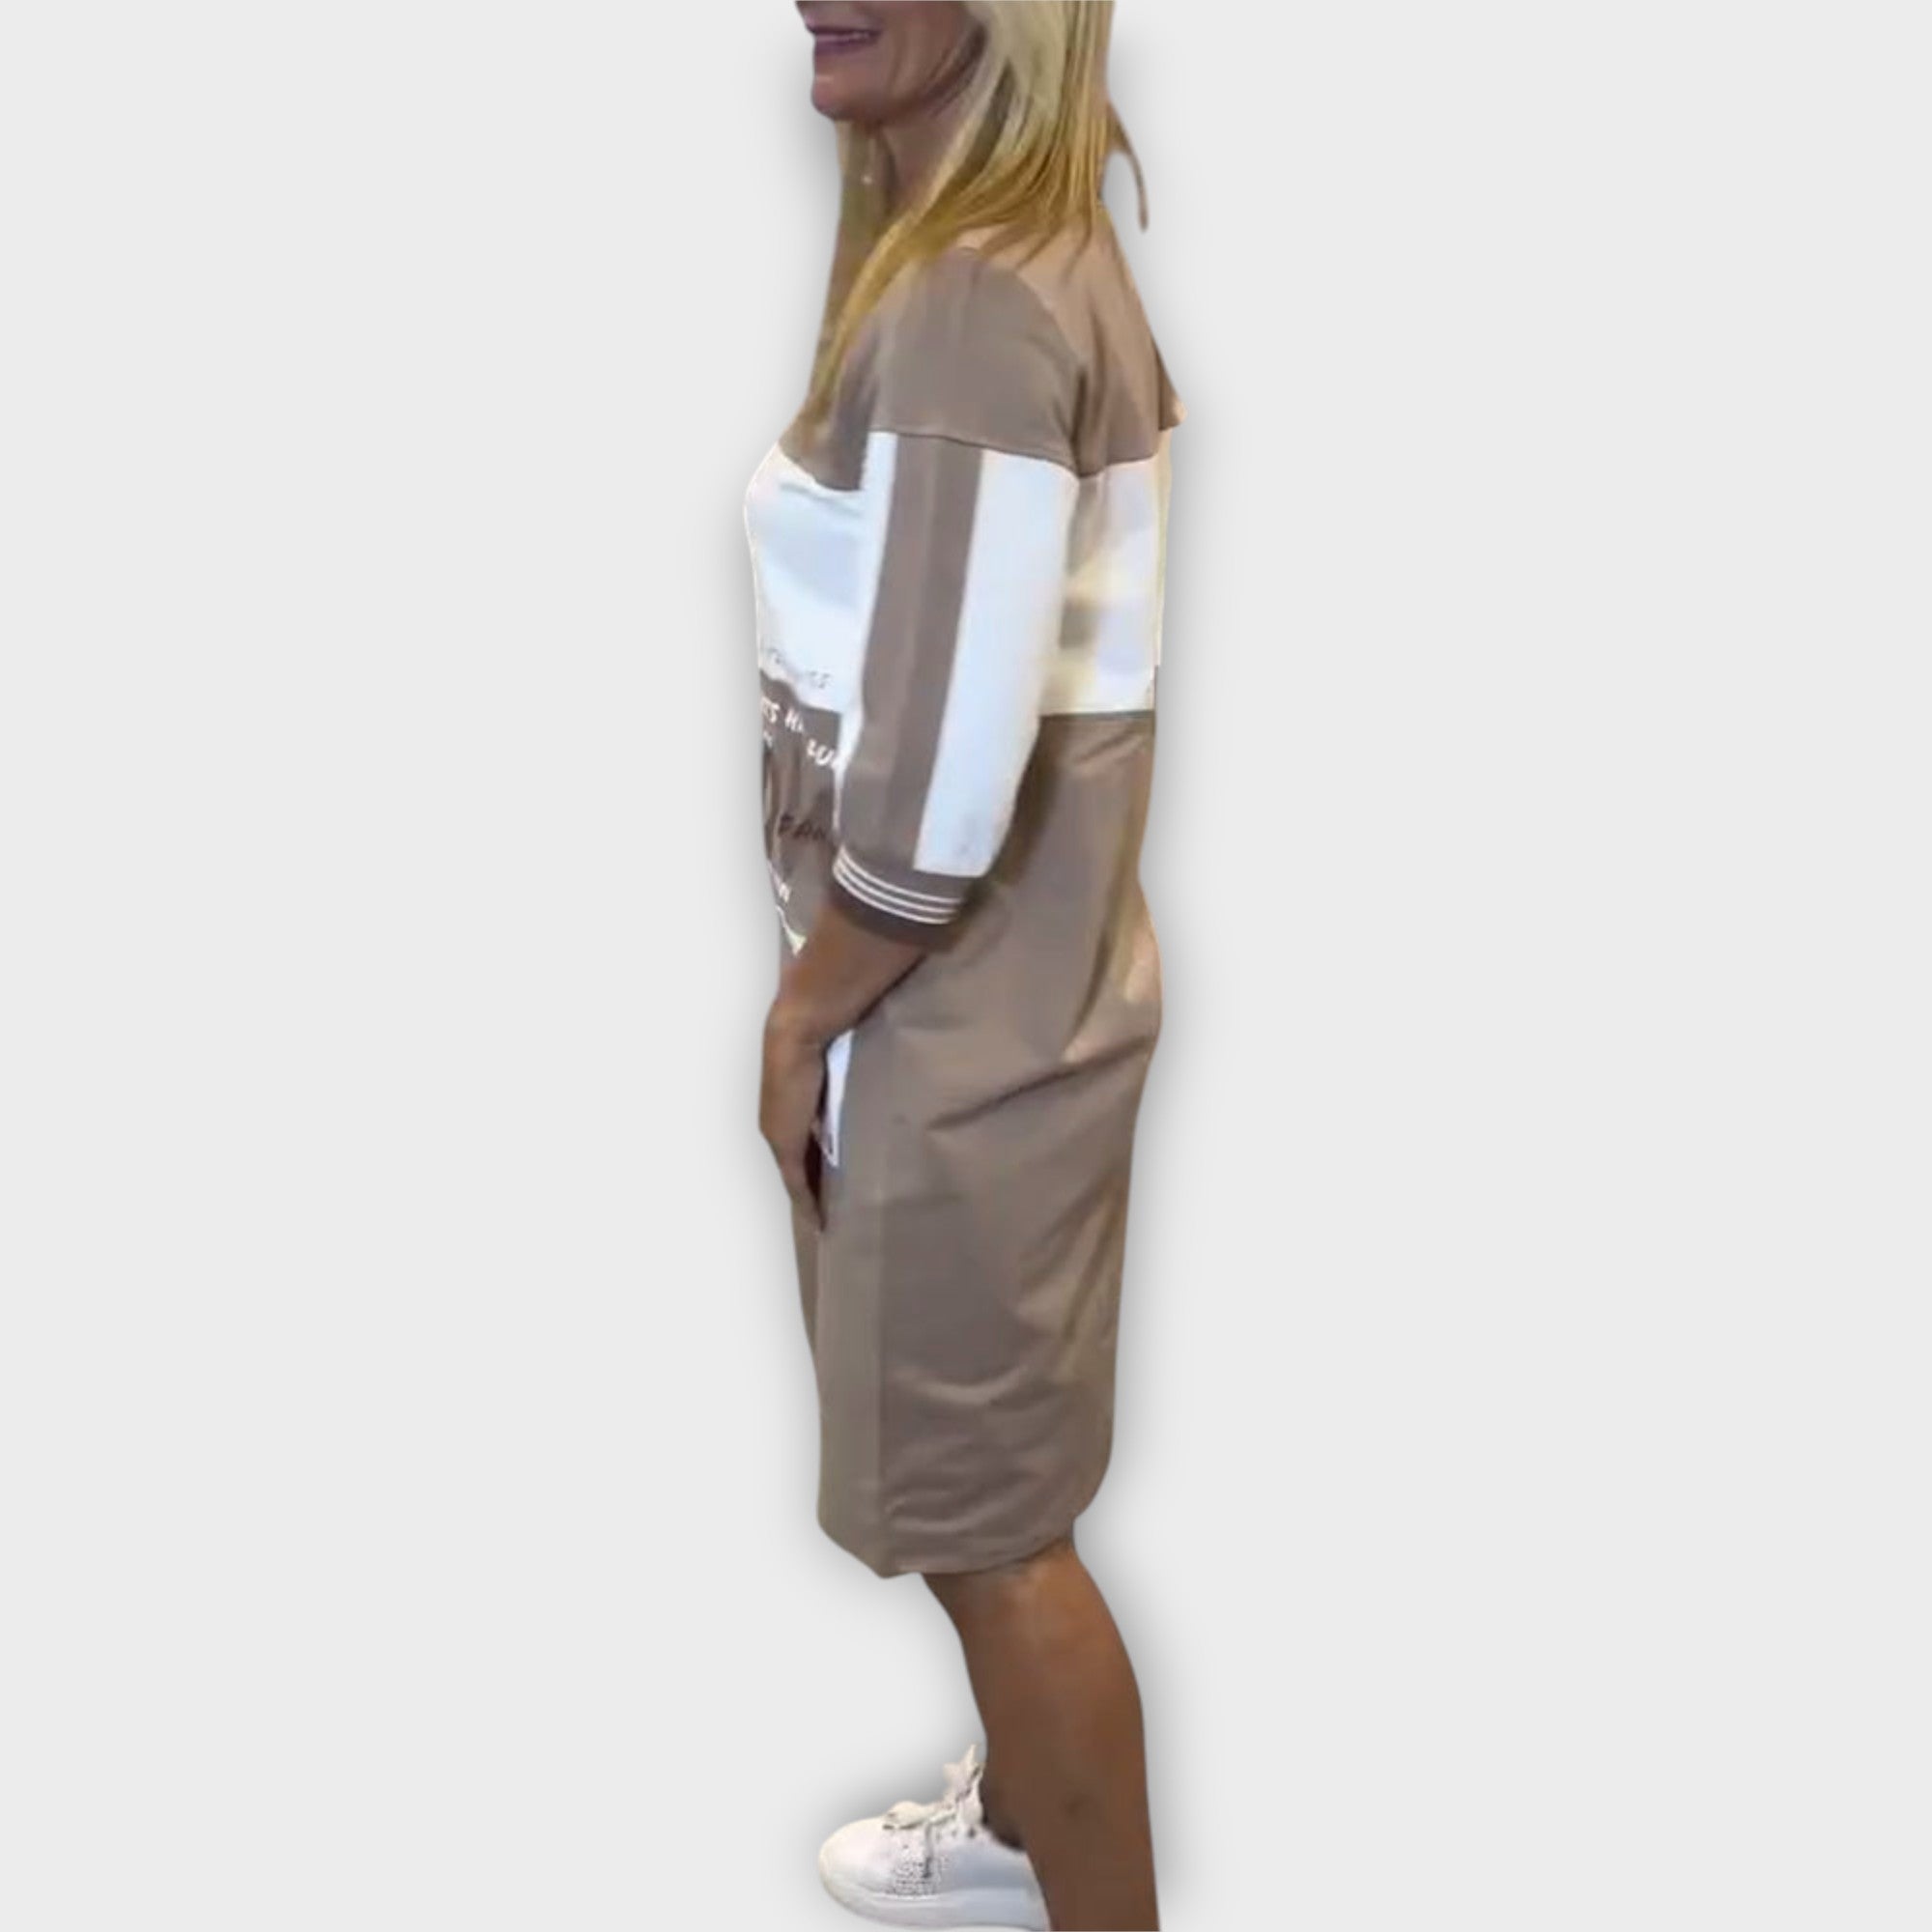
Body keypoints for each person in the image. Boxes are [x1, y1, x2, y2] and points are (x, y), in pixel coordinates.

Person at [743, 5, 1181, 1925]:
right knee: (988, 1492)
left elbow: (930, 802)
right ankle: (1021, 1824)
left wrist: (799, 1020)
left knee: (996, 1537)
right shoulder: (1021, 251)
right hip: (1010, 1013)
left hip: (946, 1040)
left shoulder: (974, 305)